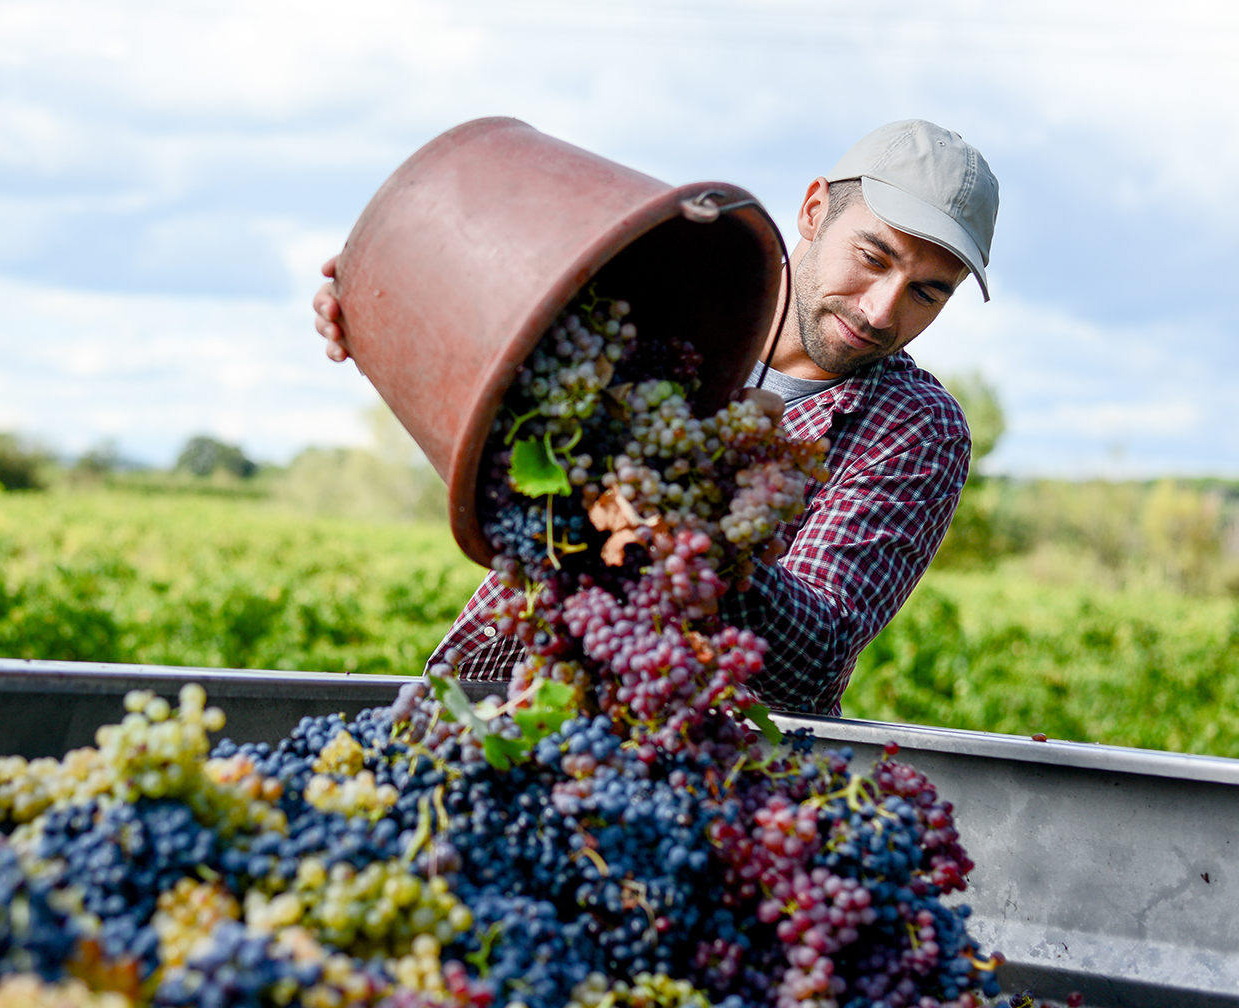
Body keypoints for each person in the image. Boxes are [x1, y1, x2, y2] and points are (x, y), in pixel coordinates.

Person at [314, 119, 999, 716]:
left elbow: (814, 659)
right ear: (815, 210)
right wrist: (381, 307)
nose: (882, 310)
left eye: (927, 293)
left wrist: (686, 536)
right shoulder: (659, 302)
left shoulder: (914, 428)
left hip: (687, 771)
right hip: (500, 697)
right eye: (873, 257)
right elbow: (497, 405)